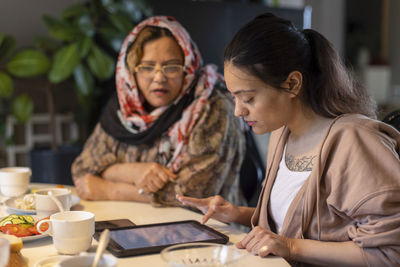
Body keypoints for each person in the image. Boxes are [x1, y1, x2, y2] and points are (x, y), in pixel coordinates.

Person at [177, 12, 400, 266]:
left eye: (248, 98)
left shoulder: (355, 141)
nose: (239, 111)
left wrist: (291, 247)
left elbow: (389, 252)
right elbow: (302, 223)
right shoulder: (281, 133)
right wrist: (236, 213)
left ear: (293, 84)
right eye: (234, 97)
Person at [71, 16, 246, 207]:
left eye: (171, 67)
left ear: (187, 68)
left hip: (210, 229)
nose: (159, 77)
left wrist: (108, 189)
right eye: (146, 67)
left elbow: (193, 193)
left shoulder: (213, 107)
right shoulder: (123, 111)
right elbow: (82, 170)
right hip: (135, 222)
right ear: (131, 72)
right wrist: (132, 172)